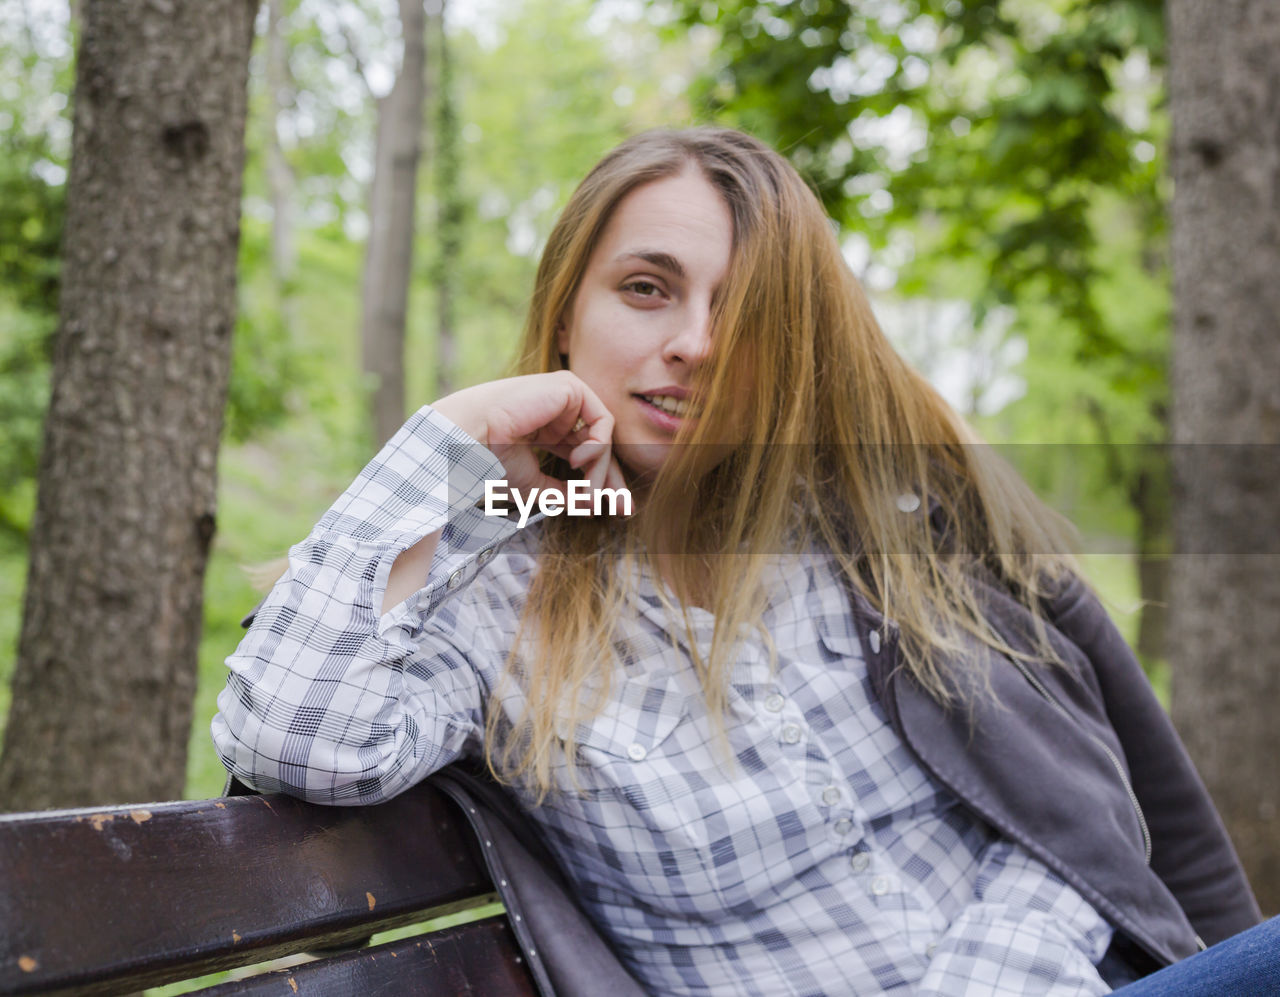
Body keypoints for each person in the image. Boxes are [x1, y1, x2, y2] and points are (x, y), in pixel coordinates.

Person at [213, 127, 1264, 996]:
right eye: (644, 288)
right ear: (568, 312)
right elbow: (299, 738)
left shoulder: (890, 538)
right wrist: (447, 450)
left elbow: (1069, 822)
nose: (696, 342)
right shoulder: (497, 602)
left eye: (747, 311)